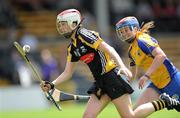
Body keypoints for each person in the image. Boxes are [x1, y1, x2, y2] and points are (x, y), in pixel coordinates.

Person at [41, 9, 180, 118]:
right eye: (60, 25)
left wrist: (122, 67)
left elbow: (109, 49)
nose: (61, 28)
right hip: (100, 82)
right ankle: (164, 102)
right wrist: (52, 84)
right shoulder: (72, 48)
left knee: (129, 117)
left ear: (73, 23)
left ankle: (164, 103)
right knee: (88, 116)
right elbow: (67, 72)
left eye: (63, 24)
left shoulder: (84, 34)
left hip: (112, 77)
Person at [115, 16, 180, 109]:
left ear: (136, 28)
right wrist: (120, 78)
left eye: (126, 30)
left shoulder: (142, 40)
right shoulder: (131, 51)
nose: (124, 34)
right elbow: (132, 76)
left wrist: (146, 76)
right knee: (133, 113)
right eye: (121, 32)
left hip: (172, 80)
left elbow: (161, 56)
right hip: (156, 85)